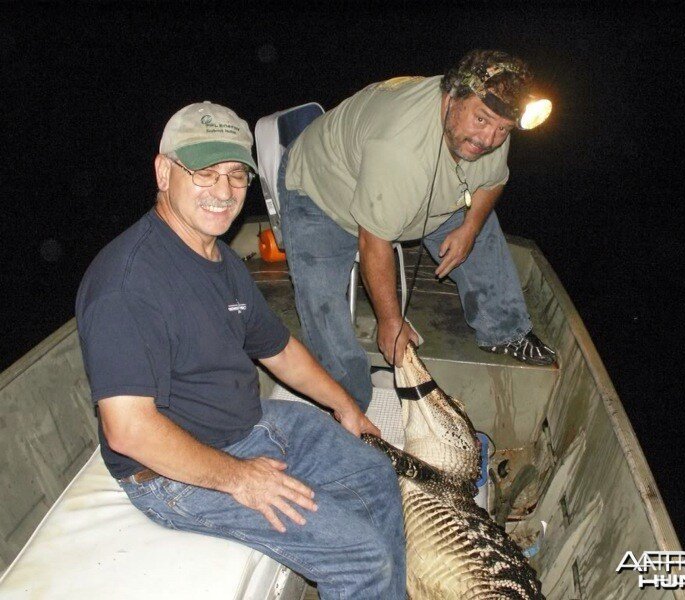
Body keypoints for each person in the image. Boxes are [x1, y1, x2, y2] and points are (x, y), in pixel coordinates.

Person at [75, 101, 406, 599]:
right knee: (360, 554)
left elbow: (279, 349)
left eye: (236, 175)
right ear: (164, 172)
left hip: (248, 425)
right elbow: (128, 431)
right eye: (205, 173)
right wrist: (239, 480)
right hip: (173, 473)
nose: (224, 192)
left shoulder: (218, 257)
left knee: (376, 474)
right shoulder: (127, 285)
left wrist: (344, 406)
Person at [279, 49, 557, 412]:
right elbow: (373, 240)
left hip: (408, 192)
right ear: (452, 95)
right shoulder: (401, 150)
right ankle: (347, 401)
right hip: (322, 191)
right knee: (321, 299)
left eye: (502, 130)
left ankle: (504, 330)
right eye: (481, 120)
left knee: (483, 228)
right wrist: (391, 322)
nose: (488, 139)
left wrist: (470, 228)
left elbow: (493, 181)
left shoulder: (492, 121)